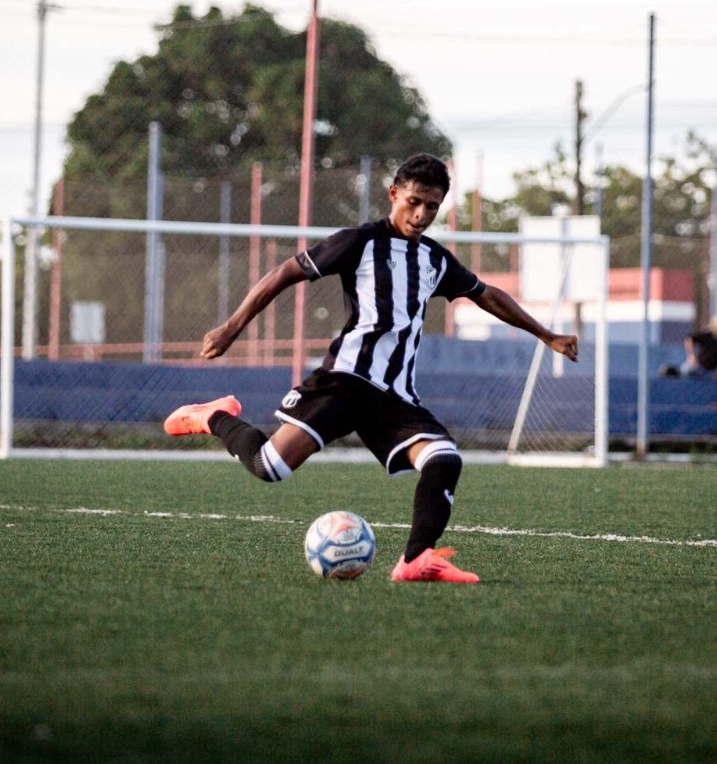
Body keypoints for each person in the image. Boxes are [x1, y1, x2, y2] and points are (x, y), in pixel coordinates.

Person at [162, 154, 577, 585]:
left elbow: (486, 294)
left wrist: (547, 335)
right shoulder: (359, 242)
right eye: (414, 201)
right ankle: (212, 417)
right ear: (394, 194)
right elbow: (284, 273)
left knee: (444, 459)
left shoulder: (436, 261)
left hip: (394, 396)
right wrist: (232, 327)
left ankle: (416, 560)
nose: (421, 214)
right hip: (344, 381)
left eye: (432, 207)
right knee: (270, 467)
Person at [664, 315, 717, 379]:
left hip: (715, 369)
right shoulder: (708, 335)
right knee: (685, 371)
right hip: (700, 365)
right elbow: (689, 339)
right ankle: (669, 372)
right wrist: (691, 356)